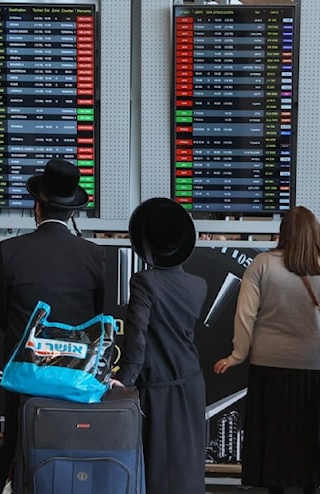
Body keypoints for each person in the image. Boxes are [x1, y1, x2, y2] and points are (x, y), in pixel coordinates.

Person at [0, 157, 105, 493]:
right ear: (72, 212)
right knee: (71, 449)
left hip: (26, 373)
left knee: (17, 443)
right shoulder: (93, 254)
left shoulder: (10, 250)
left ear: (36, 206)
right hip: (75, 376)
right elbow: (97, 316)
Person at [213, 205, 320, 494]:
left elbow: (245, 315)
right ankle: (312, 489)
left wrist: (238, 354)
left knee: (276, 436)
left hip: (270, 364)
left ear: (283, 232)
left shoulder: (263, 264)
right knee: (311, 434)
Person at [111, 198, 206, 494]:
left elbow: (137, 336)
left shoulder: (144, 282)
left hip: (158, 386)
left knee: (157, 470)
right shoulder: (199, 285)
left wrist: (123, 381)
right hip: (191, 383)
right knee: (186, 466)